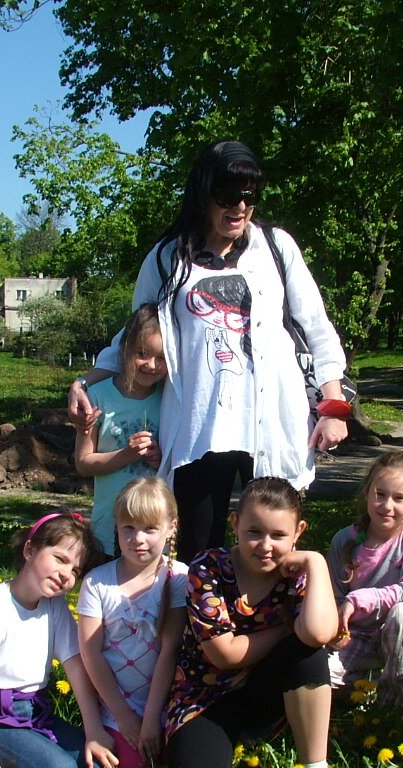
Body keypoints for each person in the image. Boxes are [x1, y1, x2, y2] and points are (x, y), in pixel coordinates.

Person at [68, 139, 351, 561]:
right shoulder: (168, 258)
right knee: (198, 553)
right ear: (203, 193)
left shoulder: (275, 248)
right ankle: (204, 609)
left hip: (270, 424)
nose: (240, 207)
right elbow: (134, 336)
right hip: (200, 428)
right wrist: (84, 381)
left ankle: (265, 610)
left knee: (271, 549)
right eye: (228, 195)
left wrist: (333, 407)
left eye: (249, 196)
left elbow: (317, 328)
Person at [165, 477, 338, 768]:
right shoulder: (208, 568)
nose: (265, 546)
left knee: (307, 651)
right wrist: (286, 627)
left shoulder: (297, 573)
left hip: (266, 691)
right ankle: (231, 743)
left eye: (279, 535)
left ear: (298, 532)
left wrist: (316, 562)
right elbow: (225, 653)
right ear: (235, 523)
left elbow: (318, 633)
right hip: (204, 699)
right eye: (254, 532)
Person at [0, 511, 117, 768]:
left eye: (75, 570)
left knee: (97, 765)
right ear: (29, 550)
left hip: (38, 712)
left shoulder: (54, 605)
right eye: (60, 559)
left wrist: (94, 731)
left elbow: (75, 667)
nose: (66, 575)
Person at [76, 478, 189, 768]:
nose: (137, 539)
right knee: (132, 767)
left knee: (176, 761)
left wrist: (151, 719)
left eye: (150, 529)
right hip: (114, 704)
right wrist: (124, 716)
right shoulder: (97, 582)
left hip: (161, 702)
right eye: (128, 527)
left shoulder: (179, 577)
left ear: (171, 527)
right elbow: (91, 653)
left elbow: (169, 651)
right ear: (116, 525)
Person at [327, 452, 403, 714]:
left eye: (399, 498)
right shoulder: (344, 540)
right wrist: (336, 628)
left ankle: (396, 702)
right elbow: (334, 598)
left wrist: (360, 599)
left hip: (397, 635)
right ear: (367, 493)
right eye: (380, 494)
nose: (387, 505)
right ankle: (368, 684)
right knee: (321, 677)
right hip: (356, 637)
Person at [73, 304, 165, 555]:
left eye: (161, 357)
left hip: (154, 531)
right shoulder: (97, 396)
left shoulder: (169, 399)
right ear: (124, 349)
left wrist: (159, 458)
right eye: (142, 353)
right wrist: (126, 454)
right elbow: (83, 463)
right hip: (109, 529)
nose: (151, 365)